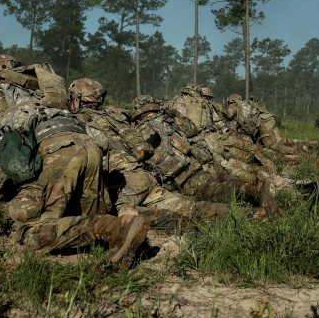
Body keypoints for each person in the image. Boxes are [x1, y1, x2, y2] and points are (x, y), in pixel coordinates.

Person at [0, 55, 149, 267]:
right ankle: (120, 236)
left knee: (29, 236)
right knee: (82, 217)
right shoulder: (43, 96)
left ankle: (115, 228)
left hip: (56, 152)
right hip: (89, 147)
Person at [68, 78, 233, 224]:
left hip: (124, 183)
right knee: (191, 208)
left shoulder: (76, 121)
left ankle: (136, 229)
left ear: (77, 100)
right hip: (144, 175)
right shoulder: (114, 117)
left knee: (119, 216)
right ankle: (249, 215)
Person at [130, 95, 275, 213]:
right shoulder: (168, 119)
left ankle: (255, 192)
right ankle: (257, 185)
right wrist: (176, 114)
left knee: (217, 192)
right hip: (200, 162)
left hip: (184, 178)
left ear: (136, 116)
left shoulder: (136, 133)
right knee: (227, 180)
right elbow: (192, 129)